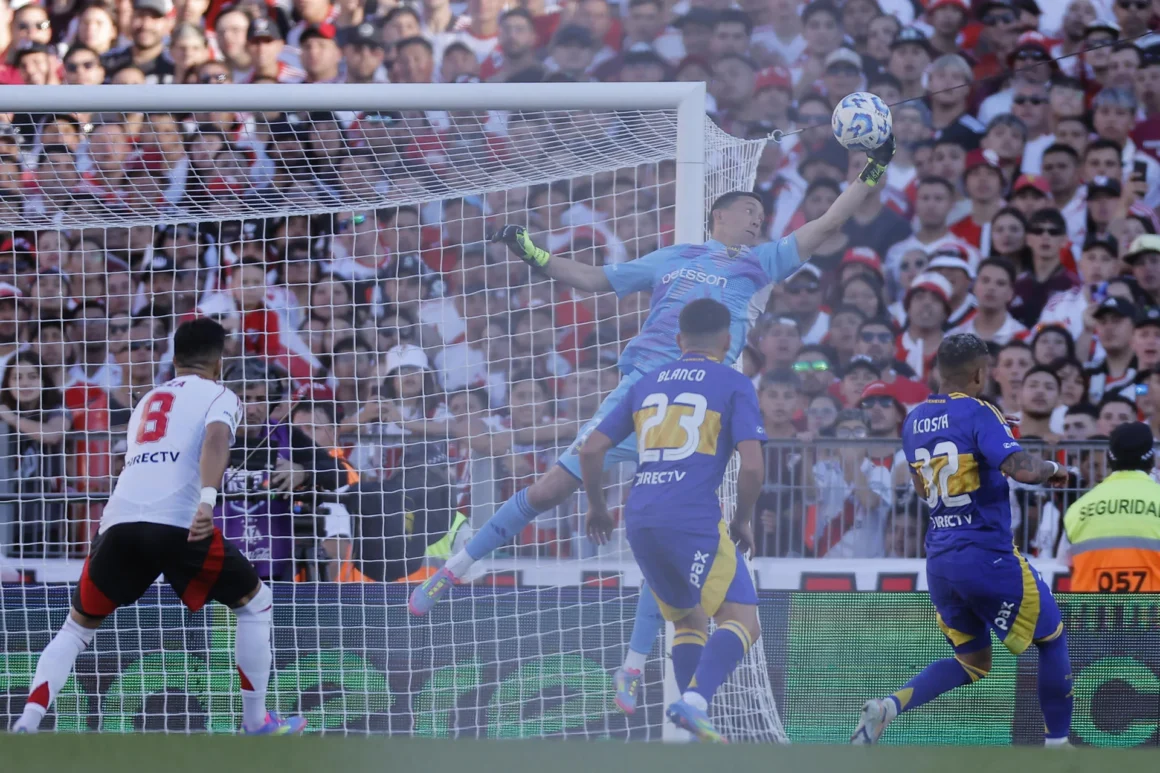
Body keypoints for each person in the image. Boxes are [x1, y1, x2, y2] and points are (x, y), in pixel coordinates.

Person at [407, 140, 898, 708]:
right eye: (749, 213)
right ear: (719, 215)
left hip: (699, 409)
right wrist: (535, 256)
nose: (759, 220)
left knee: (660, 537)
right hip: (640, 392)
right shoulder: (673, 257)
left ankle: (633, 667)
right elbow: (594, 280)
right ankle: (454, 571)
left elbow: (828, 222)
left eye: (763, 218)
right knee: (549, 488)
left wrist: (871, 172)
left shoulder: (759, 263)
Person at [11, 318, 305, 735]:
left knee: (76, 629)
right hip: (179, 522)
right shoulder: (220, 394)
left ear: (174, 356)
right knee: (255, 604)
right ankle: (256, 722)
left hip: (119, 522)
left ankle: (28, 720)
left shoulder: (148, 400)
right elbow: (216, 440)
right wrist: (208, 499)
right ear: (219, 361)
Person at [850, 333, 1071, 746]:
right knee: (1052, 636)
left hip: (941, 560)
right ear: (977, 373)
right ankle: (1057, 747)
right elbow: (1021, 469)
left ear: (937, 370)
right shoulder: (978, 411)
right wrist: (1052, 467)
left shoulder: (914, 420)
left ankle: (887, 708)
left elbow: (921, 489)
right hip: (985, 554)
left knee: (973, 661)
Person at [578, 299, 765, 742]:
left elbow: (590, 449)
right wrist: (742, 520)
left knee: (687, 621)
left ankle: (692, 721)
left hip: (639, 516)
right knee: (743, 621)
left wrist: (597, 506)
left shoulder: (647, 383)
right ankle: (695, 702)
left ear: (679, 341)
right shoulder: (733, 383)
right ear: (726, 341)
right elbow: (753, 466)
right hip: (692, 516)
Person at [1062, 422, 1160, 591]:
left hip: (1093, 613)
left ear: (1109, 458)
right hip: (1151, 613)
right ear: (1152, 460)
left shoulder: (1077, 509)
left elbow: (1069, 566)